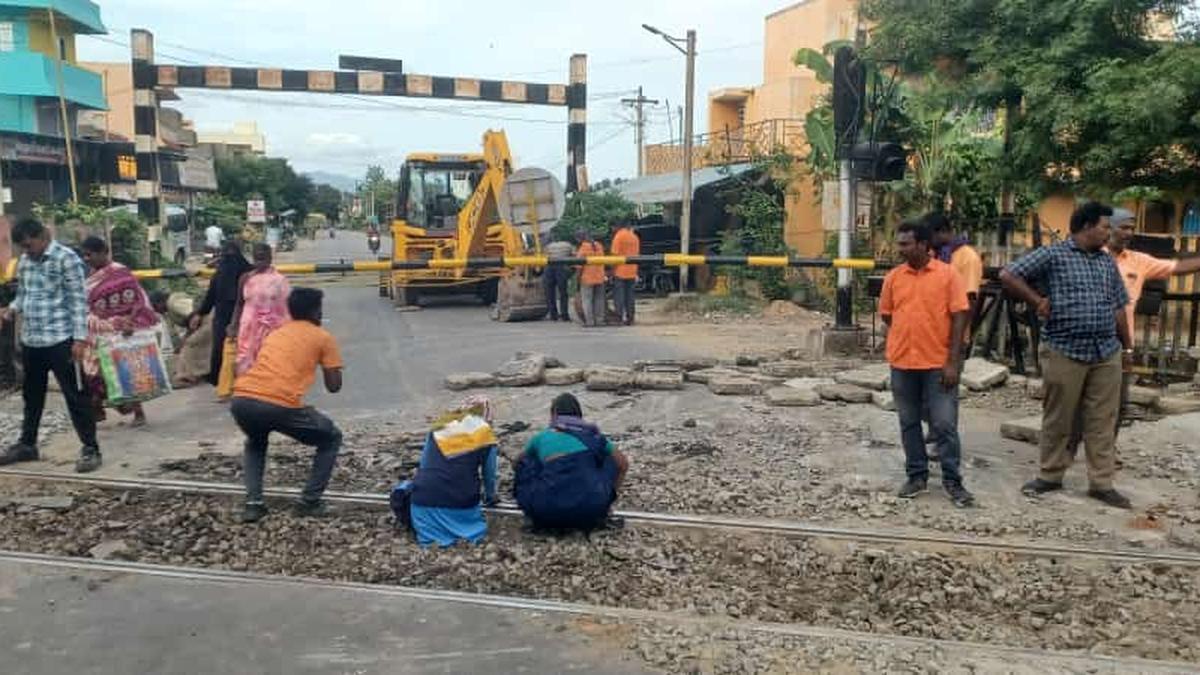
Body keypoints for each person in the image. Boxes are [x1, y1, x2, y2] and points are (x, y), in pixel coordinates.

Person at [1000, 202, 1133, 510]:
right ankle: (1050, 475)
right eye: (1104, 226)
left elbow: (1118, 307)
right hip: (1065, 349)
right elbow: (1009, 275)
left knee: (1103, 419)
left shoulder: (1105, 262)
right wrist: (1036, 301)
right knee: (1059, 416)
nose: (1108, 232)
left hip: (1105, 351)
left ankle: (1102, 483)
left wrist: (1126, 348)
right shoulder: (1054, 254)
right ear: (1086, 226)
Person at [879, 221, 974, 507]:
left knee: (944, 423)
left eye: (906, 243)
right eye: (900, 243)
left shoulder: (948, 275)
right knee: (908, 422)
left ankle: (953, 482)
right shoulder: (894, 278)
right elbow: (887, 315)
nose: (900, 248)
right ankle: (917, 475)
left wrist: (952, 362)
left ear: (922, 245)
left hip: (937, 364)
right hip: (903, 362)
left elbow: (959, 317)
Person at [230, 288, 344, 523]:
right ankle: (310, 501)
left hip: (242, 398)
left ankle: (254, 504)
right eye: (320, 308)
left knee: (256, 442)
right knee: (331, 437)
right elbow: (334, 386)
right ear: (315, 311)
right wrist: (331, 365)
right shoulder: (322, 337)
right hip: (278, 403)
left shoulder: (276, 333)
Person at [0, 218, 100, 472]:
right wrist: (11, 310)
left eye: (29, 245)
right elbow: (24, 295)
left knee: (75, 395)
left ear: (43, 236)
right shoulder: (25, 261)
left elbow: (78, 301)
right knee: (31, 396)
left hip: (60, 339)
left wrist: (79, 339)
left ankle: (90, 448)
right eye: (22, 247)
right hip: (32, 340)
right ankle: (27, 444)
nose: (26, 251)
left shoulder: (66, 259)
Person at [391, 396, 499, 547]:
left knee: (404, 489)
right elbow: (490, 476)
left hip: (423, 503)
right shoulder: (485, 434)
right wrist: (491, 497)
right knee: (472, 532)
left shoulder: (439, 428)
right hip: (460, 504)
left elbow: (424, 466)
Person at [514, 393, 629, 532]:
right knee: (608, 459)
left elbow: (516, 464)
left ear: (554, 414)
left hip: (545, 511)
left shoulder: (541, 437)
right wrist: (609, 497)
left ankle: (535, 507)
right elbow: (623, 464)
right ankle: (602, 504)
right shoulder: (594, 436)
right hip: (592, 511)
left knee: (528, 461)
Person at [79, 237, 161, 428]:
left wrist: (131, 323)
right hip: (99, 330)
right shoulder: (91, 277)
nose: (86, 258)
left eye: (89, 254)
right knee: (93, 373)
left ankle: (137, 412)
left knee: (126, 373)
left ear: (103, 252)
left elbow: (138, 301)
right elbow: (87, 305)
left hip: (123, 331)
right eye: (84, 255)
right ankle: (98, 409)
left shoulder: (121, 273)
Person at [923, 212, 984, 454]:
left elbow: (969, 301)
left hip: (953, 338)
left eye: (929, 236)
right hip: (929, 335)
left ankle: (944, 442)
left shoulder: (967, 258)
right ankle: (936, 429)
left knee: (946, 393)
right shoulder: (934, 256)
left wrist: (958, 342)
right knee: (925, 393)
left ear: (943, 232)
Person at [189, 240, 251, 386]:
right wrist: (200, 313)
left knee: (228, 347)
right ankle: (224, 378)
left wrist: (200, 313)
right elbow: (211, 295)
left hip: (234, 315)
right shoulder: (242, 270)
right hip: (232, 315)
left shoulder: (229, 271)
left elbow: (211, 296)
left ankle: (226, 378)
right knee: (226, 348)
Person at [232, 243, 290, 375]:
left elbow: (285, 307)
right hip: (248, 327)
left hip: (271, 328)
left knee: (270, 361)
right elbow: (239, 303)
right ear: (253, 258)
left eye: (263, 258)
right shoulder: (245, 278)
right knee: (245, 360)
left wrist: (287, 330)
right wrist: (233, 325)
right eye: (257, 259)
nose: (260, 262)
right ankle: (247, 390)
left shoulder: (279, 280)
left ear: (270, 258)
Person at [610, 220, 641, 326]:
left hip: (620, 271)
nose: (611, 230)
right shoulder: (634, 237)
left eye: (612, 228)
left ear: (616, 226)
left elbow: (615, 256)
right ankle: (630, 318)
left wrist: (612, 271)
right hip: (632, 271)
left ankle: (619, 318)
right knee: (630, 296)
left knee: (619, 296)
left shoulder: (618, 237)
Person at [576, 231, 606, 327]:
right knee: (599, 300)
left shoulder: (583, 248)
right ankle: (600, 320)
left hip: (587, 278)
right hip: (600, 277)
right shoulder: (599, 245)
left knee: (587, 300)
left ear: (579, 239)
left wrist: (577, 280)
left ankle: (590, 322)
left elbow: (579, 267)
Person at [542, 235, 575, 321]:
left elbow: (543, 257)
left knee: (549, 292)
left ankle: (553, 315)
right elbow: (574, 256)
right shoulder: (568, 245)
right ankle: (564, 315)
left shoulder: (548, 247)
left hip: (550, 267)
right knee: (563, 292)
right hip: (562, 266)